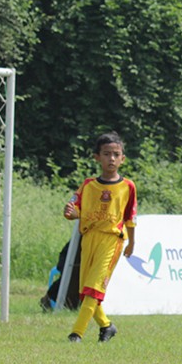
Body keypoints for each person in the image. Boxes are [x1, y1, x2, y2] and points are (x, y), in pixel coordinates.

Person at [62, 131, 137, 343]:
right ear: (97, 157)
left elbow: (131, 216)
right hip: (89, 238)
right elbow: (71, 209)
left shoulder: (128, 187)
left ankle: (76, 333)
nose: (111, 158)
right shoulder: (88, 185)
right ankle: (106, 326)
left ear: (122, 158)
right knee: (85, 289)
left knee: (94, 287)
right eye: (106, 154)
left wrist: (132, 242)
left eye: (116, 154)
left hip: (111, 240)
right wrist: (72, 213)